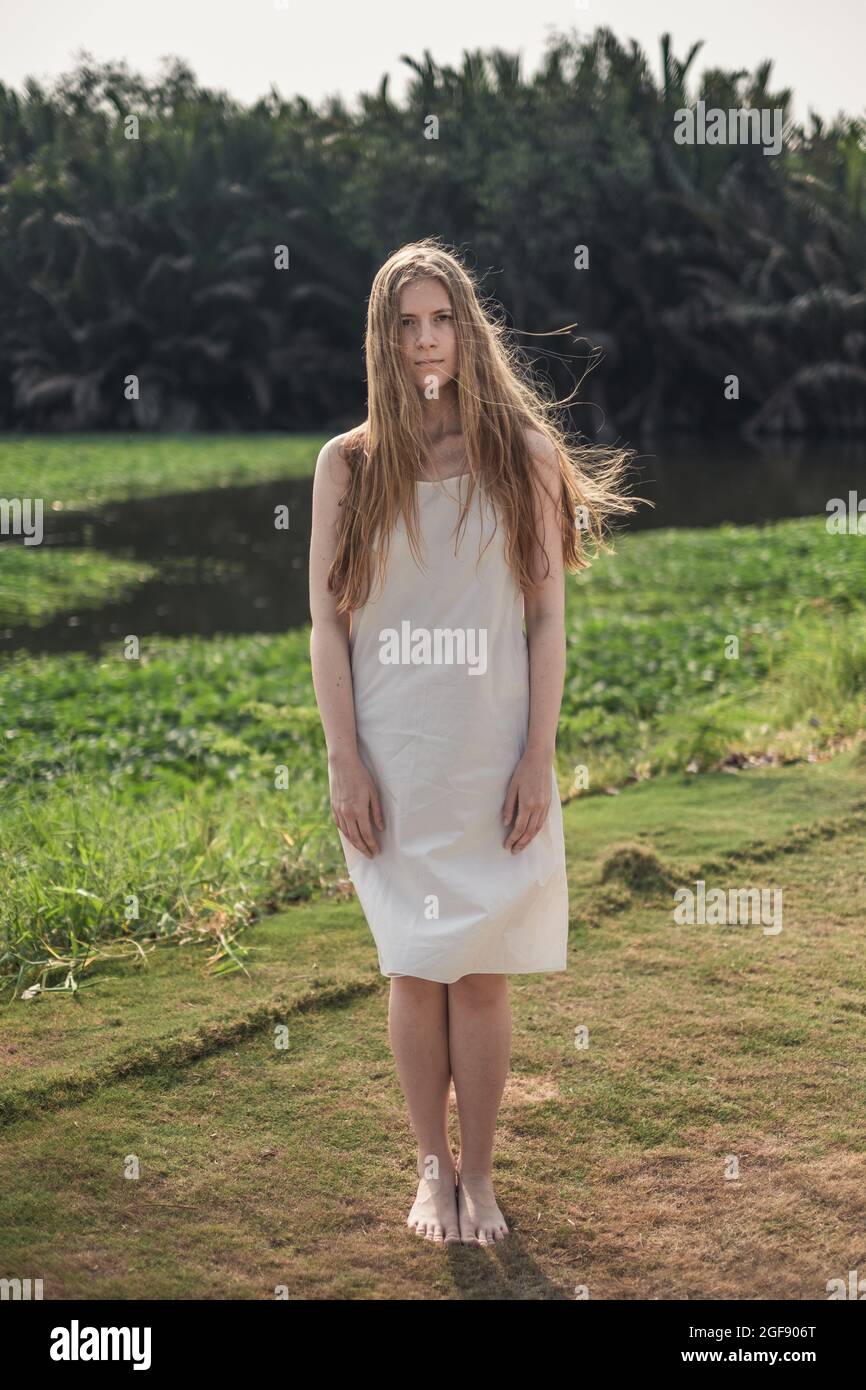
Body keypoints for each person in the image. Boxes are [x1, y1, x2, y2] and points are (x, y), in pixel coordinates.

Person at [309, 238, 633, 1246]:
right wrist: (343, 760)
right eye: (404, 323)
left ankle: (480, 1176)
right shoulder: (348, 463)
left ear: (466, 327)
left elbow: (544, 617)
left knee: (481, 968)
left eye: (439, 317)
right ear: (381, 338)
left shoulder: (520, 455)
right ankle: (427, 1169)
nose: (423, 339)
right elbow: (326, 623)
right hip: (394, 753)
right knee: (413, 964)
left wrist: (537, 755)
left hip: (492, 752)